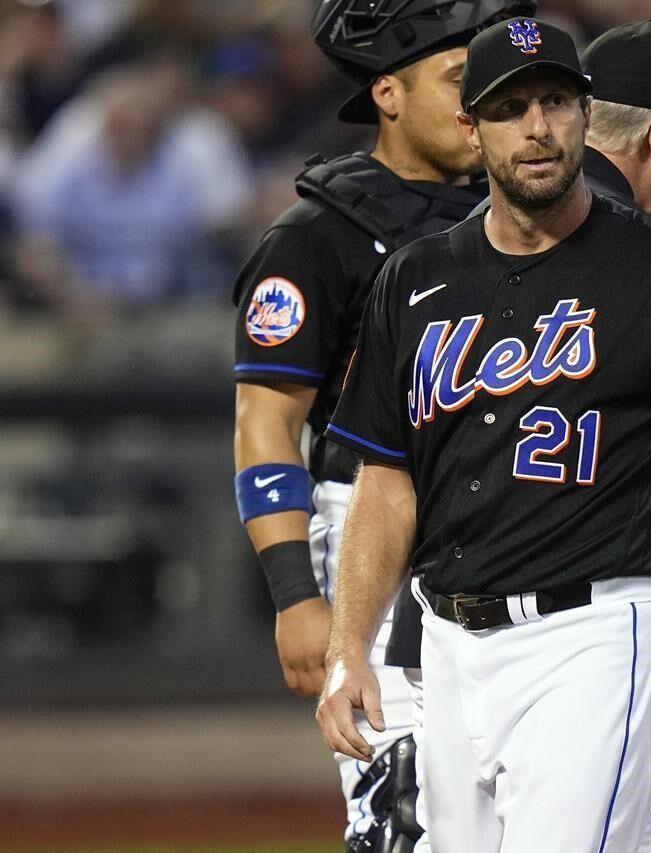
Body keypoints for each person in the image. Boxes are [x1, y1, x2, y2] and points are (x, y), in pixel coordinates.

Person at [315, 17, 651, 852]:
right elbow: (386, 481)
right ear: (471, 128)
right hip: (451, 645)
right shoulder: (416, 280)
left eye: (556, 101)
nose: (537, 126)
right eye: (510, 106)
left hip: (594, 632)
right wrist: (349, 645)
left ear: (585, 111)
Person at [231, 2, 533, 848]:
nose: (485, 102)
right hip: (373, 538)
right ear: (389, 94)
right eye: (458, 81)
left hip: (522, 528)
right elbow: (266, 421)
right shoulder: (318, 236)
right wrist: (295, 594)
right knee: (402, 815)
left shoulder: (536, 217)